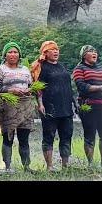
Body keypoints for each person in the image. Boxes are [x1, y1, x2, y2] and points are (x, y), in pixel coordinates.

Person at [31, 41, 74, 171]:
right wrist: (40, 104)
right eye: (52, 50)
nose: (56, 52)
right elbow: (38, 88)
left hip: (66, 108)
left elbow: (68, 87)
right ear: (45, 52)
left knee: (66, 136)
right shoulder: (42, 67)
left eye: (57, 50)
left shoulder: (62, 67)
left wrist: (74, 103)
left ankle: (65, 166)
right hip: (50, 108)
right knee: (49, 136)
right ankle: (50, 166)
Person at [0, 42, 35, 173]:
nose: (12, 54)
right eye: (10, 52)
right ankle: (8, 167)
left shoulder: (25, 70)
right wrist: (11, 90)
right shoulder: (0, 70)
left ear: (19, 54)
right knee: (8, 138)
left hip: (26, 106)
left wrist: (28, 90)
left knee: (24, 138)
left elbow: (31, 86)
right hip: (8, 107)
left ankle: (26, 166)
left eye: (15, 52)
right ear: (5, 55)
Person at [73, 45, 102, 167]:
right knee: (90, 135)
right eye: (91, 51)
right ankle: (91, 163)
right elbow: (82, 86)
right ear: (84, 55)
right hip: (88, 106)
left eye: (95, 51)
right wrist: (100, 87)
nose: (94, 53)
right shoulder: (79, 69)